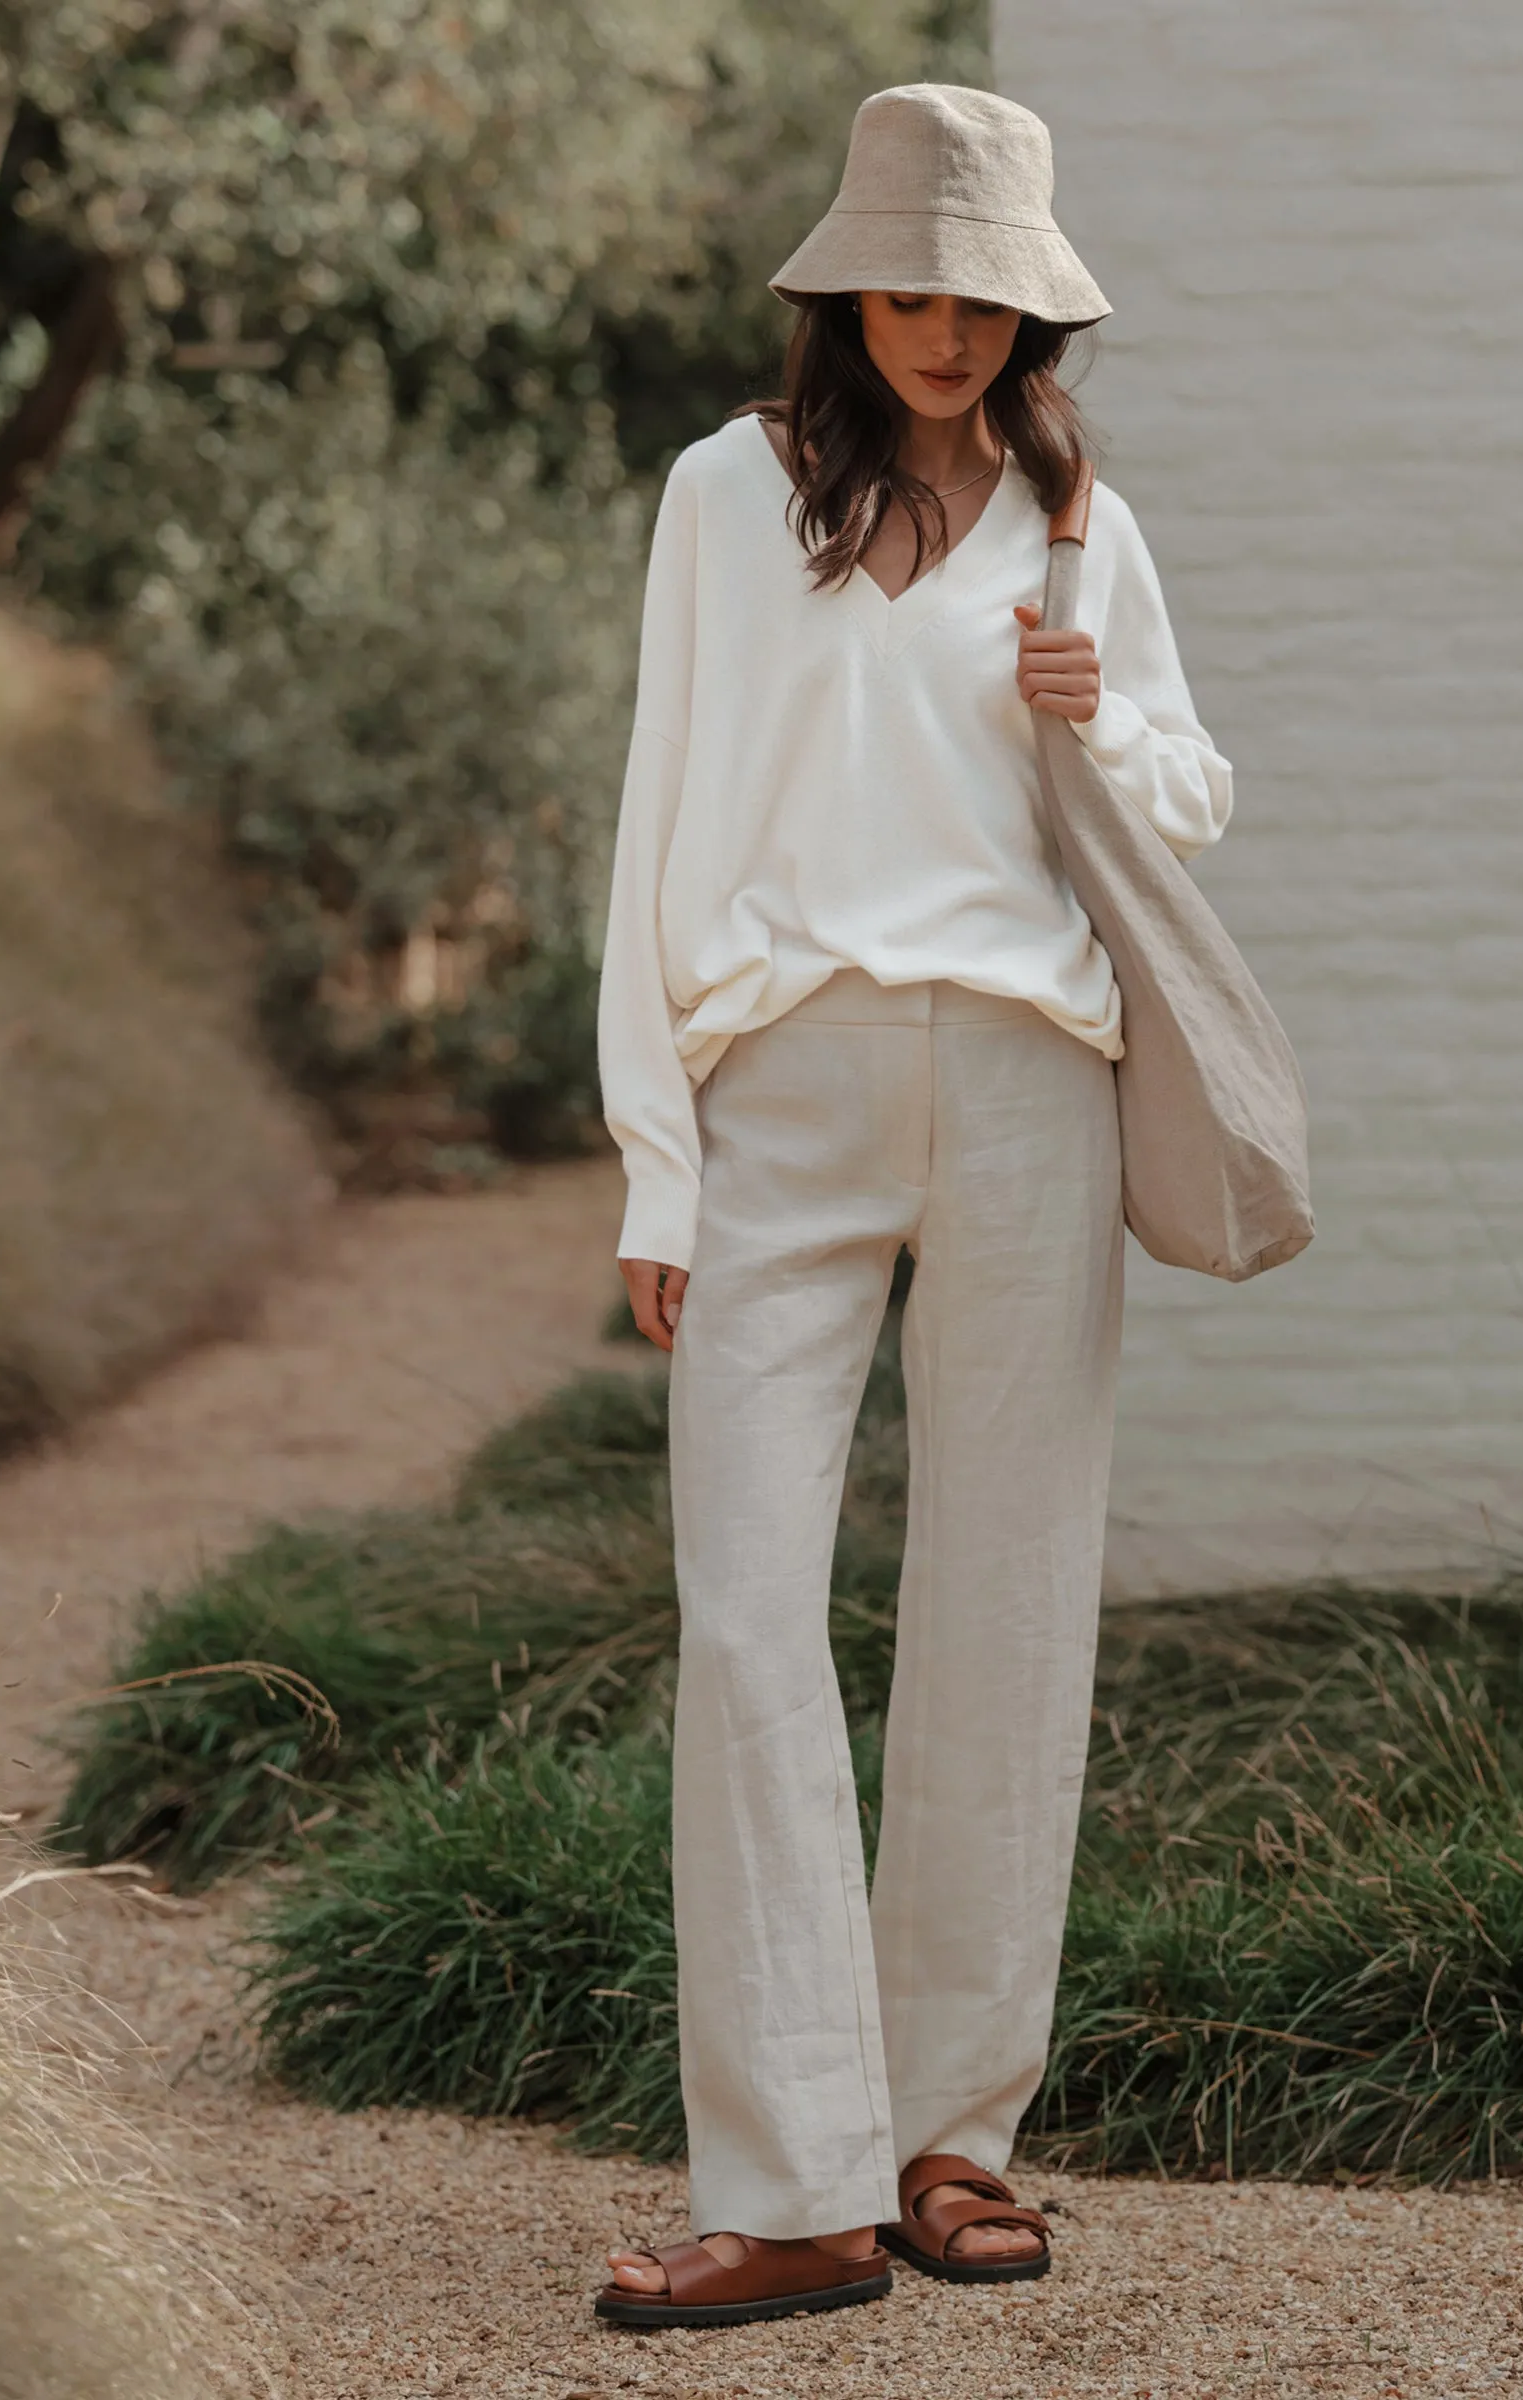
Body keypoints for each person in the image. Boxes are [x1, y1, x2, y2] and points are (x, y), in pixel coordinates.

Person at [592, 82, 1232, 2329]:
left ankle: (954, 2136)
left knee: (1005, 1601)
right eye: (906, 286)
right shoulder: (723, 495)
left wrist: (1099, 714)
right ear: (842, 290)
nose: (944, 329)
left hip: (1034, 1078)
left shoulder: (1080, 516)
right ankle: (787, 2186)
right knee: (749, 1607)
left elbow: (1184, 781)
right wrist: (656, 1154)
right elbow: (659, 808)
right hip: (786, 1074)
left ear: (1029, 308)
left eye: (982, 295)